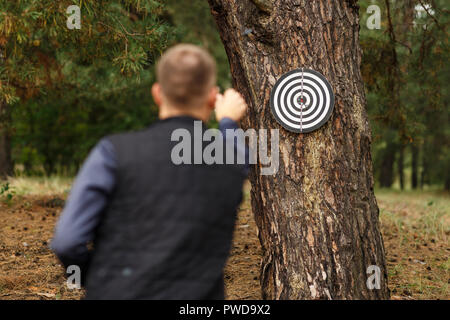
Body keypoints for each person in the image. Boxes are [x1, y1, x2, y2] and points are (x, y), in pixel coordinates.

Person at [51, 44, 249, 299]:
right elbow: (239, 155)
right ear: (212, 97)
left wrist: (98, 277)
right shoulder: (231, 159)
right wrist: (228, 122)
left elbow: (66, 241)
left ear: (157, 93)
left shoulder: (112, 152)